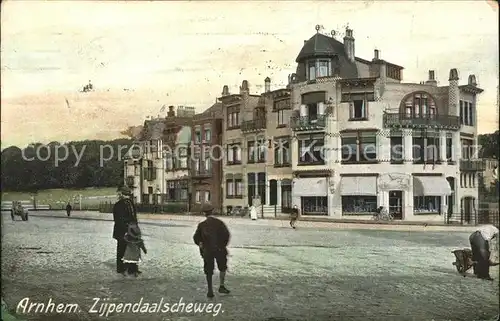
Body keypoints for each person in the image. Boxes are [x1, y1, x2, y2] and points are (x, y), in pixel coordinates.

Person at [193, 208, 231, 298]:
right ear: (212, 212)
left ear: (204, 214)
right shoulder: (219, 223)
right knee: (222, 267)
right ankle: (221, 285)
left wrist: (200, 244)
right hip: (219, 249)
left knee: (208, 270)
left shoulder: (202, 225)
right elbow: (227, 235)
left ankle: (210, 290)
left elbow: (196, 238)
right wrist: (222, 245)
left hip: (208, 250)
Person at [112, 186, 138, 275]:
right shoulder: (124, 204)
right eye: (126, 194)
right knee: (125, 249)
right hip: (124, 231)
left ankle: (129, 268)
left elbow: (132, 218)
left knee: (128, 250)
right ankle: (125, 269)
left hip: (128, 230)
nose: (127, 197)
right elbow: (121, 220)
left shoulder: (126, 204)